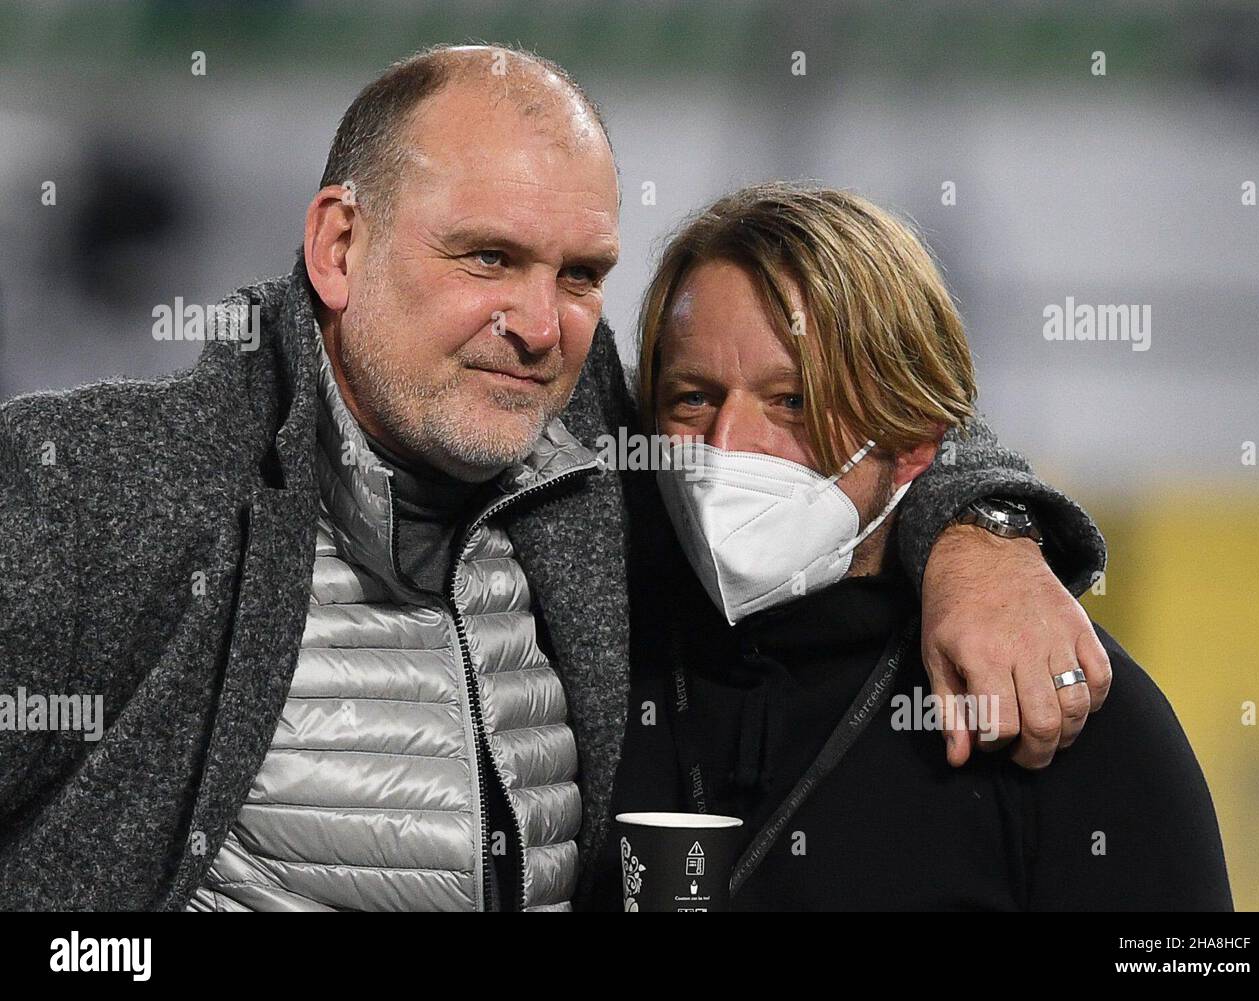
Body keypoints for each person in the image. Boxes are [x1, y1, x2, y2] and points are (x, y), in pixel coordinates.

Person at [1, 45, 1106, 912]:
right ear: (339, 247)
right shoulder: (94, 493)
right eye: (485, 257)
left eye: (581, 274)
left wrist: (985, 531)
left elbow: (856, 413)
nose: (537, 324)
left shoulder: (586, 452)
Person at [600, 182, 1232, 911]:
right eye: (692, 398)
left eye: (794, 400)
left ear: (912, 439)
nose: (729, 443)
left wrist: (989, 535)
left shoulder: (1046, 701)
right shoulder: (599, 673)